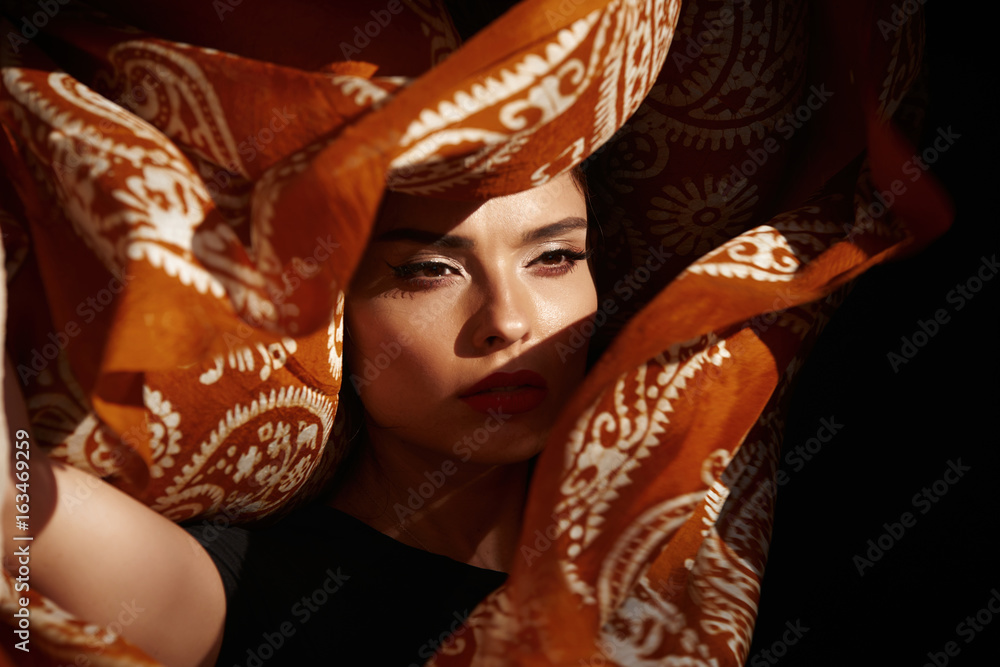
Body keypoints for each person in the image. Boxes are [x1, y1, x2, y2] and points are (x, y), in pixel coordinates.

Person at [2, 169, 597, 666]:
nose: (509, 320)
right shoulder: (263, 593)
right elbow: (12, 498)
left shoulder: (669, 513)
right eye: (427, 269)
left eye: (555, 256)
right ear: (333, 314)